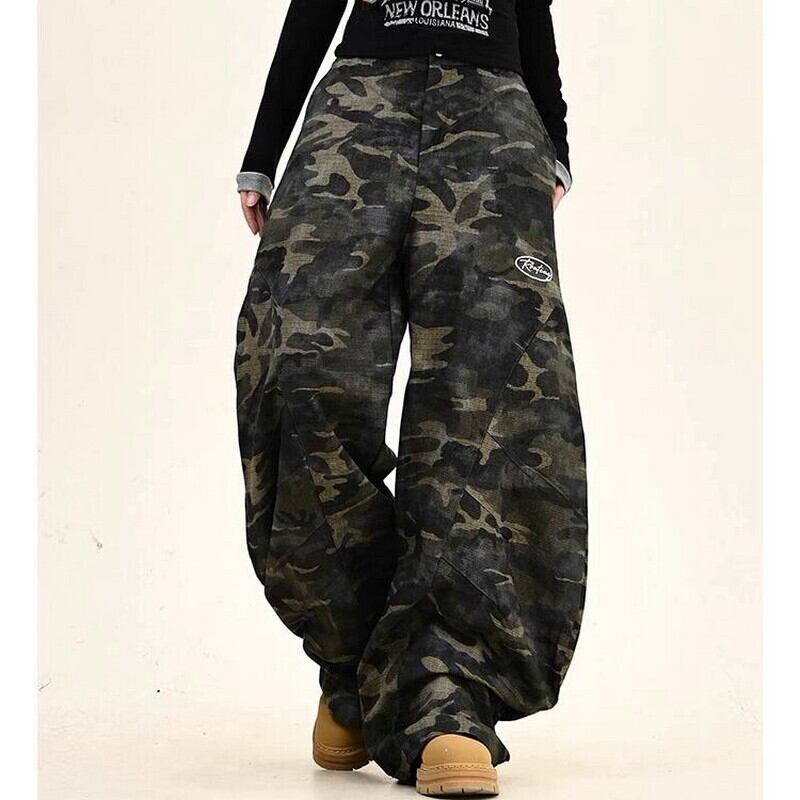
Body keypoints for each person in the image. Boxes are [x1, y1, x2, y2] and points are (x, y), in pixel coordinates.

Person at [234, 2, 587, 796]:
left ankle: (449, 695)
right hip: (359, 99)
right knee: (296, 365)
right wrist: (264, 148)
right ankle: (358, 663)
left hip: (494, 113)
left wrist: (555, 142)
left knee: (491, 398)